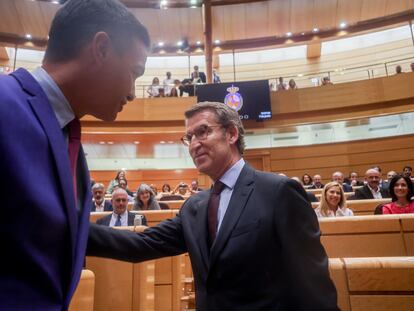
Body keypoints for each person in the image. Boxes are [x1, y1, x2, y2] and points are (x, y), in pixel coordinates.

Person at [88, 101, 339, 311]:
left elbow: (313, 285)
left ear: (231, 134)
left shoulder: (279, 192)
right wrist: (68, 228)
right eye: (189, 137)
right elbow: (141, 245)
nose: (194, 143)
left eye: (203, 131)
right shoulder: (194, 207)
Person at [0, 0, 149, 309]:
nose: (134, 92)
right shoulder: (4, 102)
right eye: (134, 73)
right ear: (102, 48)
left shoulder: (70, 141)